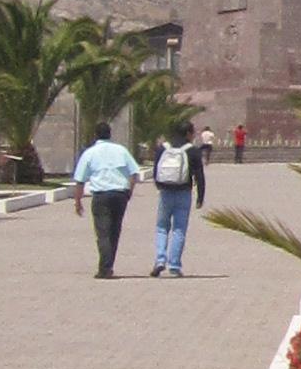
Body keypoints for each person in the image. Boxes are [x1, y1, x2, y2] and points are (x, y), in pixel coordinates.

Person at [69, 123, 141, 280]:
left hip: (101, 196)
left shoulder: (90, 153)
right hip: (120, 194)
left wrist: (78, 201)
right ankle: (108, 266)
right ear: (110, 134)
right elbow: (134, 172)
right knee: (115, 231)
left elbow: (80, 180)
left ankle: (105, 268)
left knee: (103, 233)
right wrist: (129, 191)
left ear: (96, 135)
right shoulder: (121, 150)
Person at [148, 117, 206, 279]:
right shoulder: (192, 150)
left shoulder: (163, 148)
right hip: (183, 193)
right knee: (179, 229)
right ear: (188, 133)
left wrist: (159, 185)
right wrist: (200, 196)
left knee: (161, 227)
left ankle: (160, 260)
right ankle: (174, 265)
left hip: (165, 191)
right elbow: (199, 176)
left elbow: (156, 171)